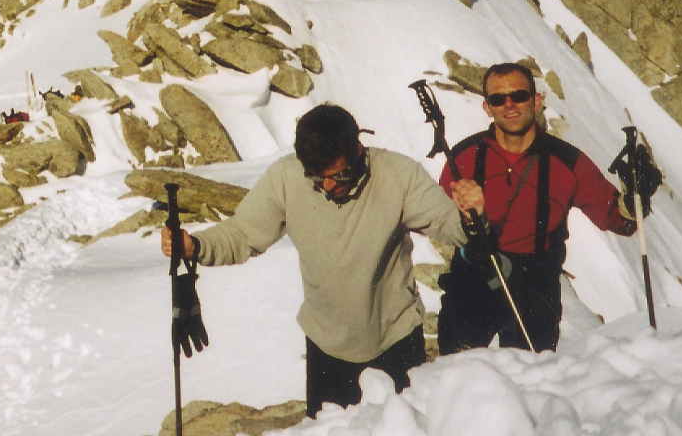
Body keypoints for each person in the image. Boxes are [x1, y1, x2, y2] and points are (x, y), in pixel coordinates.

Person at [159, 103, 467, 416]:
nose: (330, 186)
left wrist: (471, 217)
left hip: (395, 338)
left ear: (358, 150)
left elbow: (447, 222)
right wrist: (195, 246)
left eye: (340, 174)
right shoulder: (285, 177)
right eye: (318, 178)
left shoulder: (398, 174)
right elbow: (243, 234)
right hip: (326, 347)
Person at [436, 63, 634, 354]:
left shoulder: (567, 162)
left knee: (533, 381)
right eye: (498, 99)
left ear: (536, 100)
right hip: (472, 281)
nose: (510, 105)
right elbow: (437, 217)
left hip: (536, 286)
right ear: (487, 108)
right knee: (457, 373)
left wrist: (634, 199)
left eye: (519, 95)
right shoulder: (465, 156)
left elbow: (620, 220)